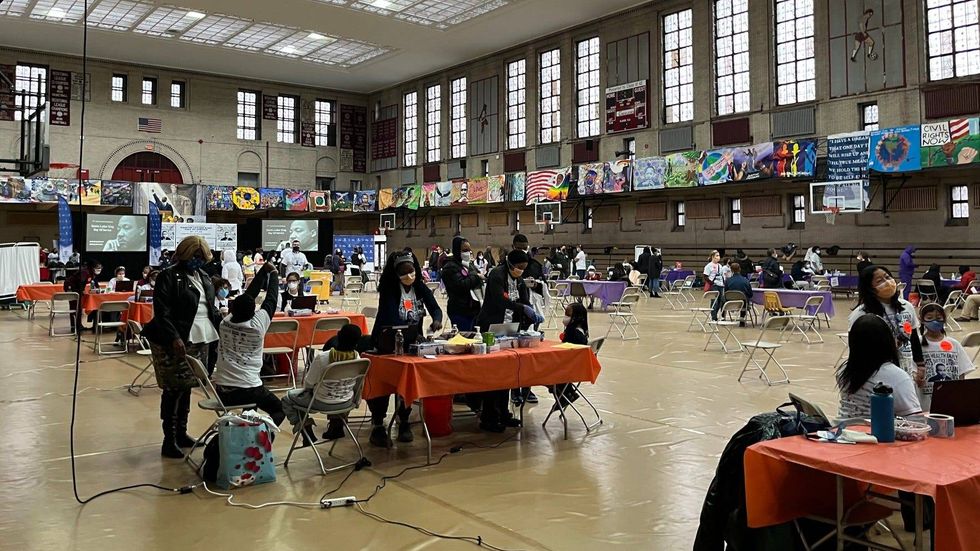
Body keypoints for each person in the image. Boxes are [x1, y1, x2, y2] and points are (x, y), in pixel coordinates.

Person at [141, 236, 221, 458]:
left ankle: (181, 433)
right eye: (194, 256)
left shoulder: (204, 276)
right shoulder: (168, 276)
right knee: (173, 389)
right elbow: (162, 311)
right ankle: (169, 440)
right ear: (184, 254)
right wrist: (174, 337)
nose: (198, 260)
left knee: (187, 387)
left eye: (201, 257)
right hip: (174, 339)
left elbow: (210, 307)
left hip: (201, 337)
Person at [368, 252, 444, 447]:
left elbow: (435, 308)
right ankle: (378, 424)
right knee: (384, 383)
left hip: (410, 344)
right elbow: (392, 318)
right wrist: (411, 332)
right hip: (386, 343)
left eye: (411, 271)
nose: (409, 275)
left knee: (407, 382)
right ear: (396, 274)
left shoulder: (419, 287)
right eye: (404, 272)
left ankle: (404, 421)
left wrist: (436, 320)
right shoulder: (390, 289)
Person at [212, 262, 286, 429]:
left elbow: (249, 295)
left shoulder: (225, 322)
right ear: (253, 312)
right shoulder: (257, 326)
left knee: (251, 410)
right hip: (249, 389)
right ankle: (257, 437)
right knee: (279, 410)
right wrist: (273, 274)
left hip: (223, 391)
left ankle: (246, 431)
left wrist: (262, 272)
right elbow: (271, 299)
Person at [475, 249, 543, 432]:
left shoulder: (518, 279)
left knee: (506, 372)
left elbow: (523, 299)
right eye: (519, 267)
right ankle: (489, 416)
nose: (521, 270)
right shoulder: (497, 275)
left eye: (524, 267)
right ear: (510, 264)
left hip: (509, 328)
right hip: (491, 326)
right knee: (493, 374)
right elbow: (499, 300)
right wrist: (521, 307)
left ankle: (503, 413)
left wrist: (531, 313)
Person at [282, 324, 363, 446]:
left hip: (321, 401)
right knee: (337, 392)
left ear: (338, 336)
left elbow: (309, 383)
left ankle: (307, 432)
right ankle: (336, 426)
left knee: (287, 399)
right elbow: (358, 385)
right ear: (357, 343)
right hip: (346, 402)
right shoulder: (358, 359)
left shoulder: (323, 357)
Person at [837, 313, 921, 419]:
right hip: (877, 429)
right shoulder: (897, 376)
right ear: (887, 341)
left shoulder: (844, 371)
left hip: (842, 427)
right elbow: (915, 420)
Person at [848, 265, 924, 377]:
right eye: (879, 281)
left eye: (888, 277)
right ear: (869, 287)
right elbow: (855, 347)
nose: (887, 282)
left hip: (906, 370)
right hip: (876, 372)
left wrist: (920, 364)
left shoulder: (906, 307)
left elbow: (914, 338)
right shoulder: (861, 313)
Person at [918, 303, 975, 411]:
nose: (935, 321)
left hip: (951, 401)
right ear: (921, 320)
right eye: (929, 318)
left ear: (944, 319)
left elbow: (961, 374)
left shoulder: (954, 344)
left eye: (939, 318)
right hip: (925, 403)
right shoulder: (918, 344)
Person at [512, 234, 546, 404]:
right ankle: (514, 390)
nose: (522, 250)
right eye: (519, 248)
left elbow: (544, 286)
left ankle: (527, 390)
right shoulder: (507, 266)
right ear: (513, 247)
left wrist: (537, 285)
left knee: (529, 355)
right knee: (513, 355)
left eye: (524, 248)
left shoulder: (535, 265)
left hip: (532, 312)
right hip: (513, 313)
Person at [440, 236, 484, 331]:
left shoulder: (468, 265)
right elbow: (461, 285)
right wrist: (476, 277)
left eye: (469, 250)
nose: (468, 253)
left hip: (473, 310)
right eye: (465, 250)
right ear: (457, 250)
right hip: (459, 310)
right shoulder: (449, 267)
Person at [64, 260, 101, 332]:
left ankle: (78, 325)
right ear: (92, 267)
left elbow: (95, 282)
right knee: (75, 308)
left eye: (100, 267)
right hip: (71, 287)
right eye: (97, 267)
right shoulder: (84, 272)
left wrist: (98, 289)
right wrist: (82, 290)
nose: (99, 269)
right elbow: (80, 282)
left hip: (77, 288)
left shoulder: (91, 273)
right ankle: (74, 327)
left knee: (79, 308)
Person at [725, 263, 753, 327]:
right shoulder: (746, 280)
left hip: (731, 303)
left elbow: (725, 293)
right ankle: (742, 318)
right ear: (740, 269)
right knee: (745, 298)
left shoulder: (728, 281)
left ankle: (723, 317)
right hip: (743, 304)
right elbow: (750, 294)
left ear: (731, 270)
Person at [704, 250, 726, 321]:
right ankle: (714, 317)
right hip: (714, 286)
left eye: (719, 255)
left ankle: (716, 314)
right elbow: (705, 276)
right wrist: (712, 283)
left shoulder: (720, 266)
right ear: (712, 257)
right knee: (714, 302)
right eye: (717, 255)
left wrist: (724, 283)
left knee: (721, 301)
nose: (718, 257)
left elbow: (722, 276)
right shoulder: (708, 266)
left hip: (721, 285)